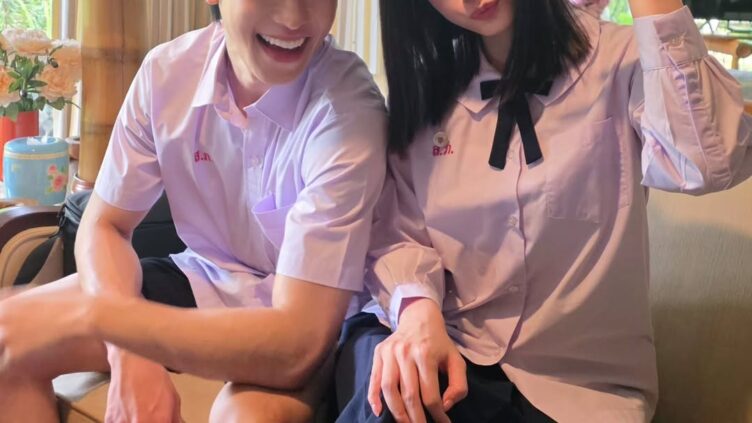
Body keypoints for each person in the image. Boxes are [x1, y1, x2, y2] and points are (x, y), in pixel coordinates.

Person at [335, 0, 752, 422]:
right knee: (394, 401)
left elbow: (705, 162)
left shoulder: (622, 61)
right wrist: (417, 314)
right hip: (445, 344)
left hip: (581, 392)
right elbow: (398, 231)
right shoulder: (429, 81)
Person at [0, 0, 386, 422]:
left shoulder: (347, 111)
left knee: (244, 418)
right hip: (210, 279)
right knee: (7, 337)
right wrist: (130, 350)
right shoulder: (168, 73)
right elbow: (106, 225)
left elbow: (299, 344)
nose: (293, 18)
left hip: (313, 314)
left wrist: (127, 330)